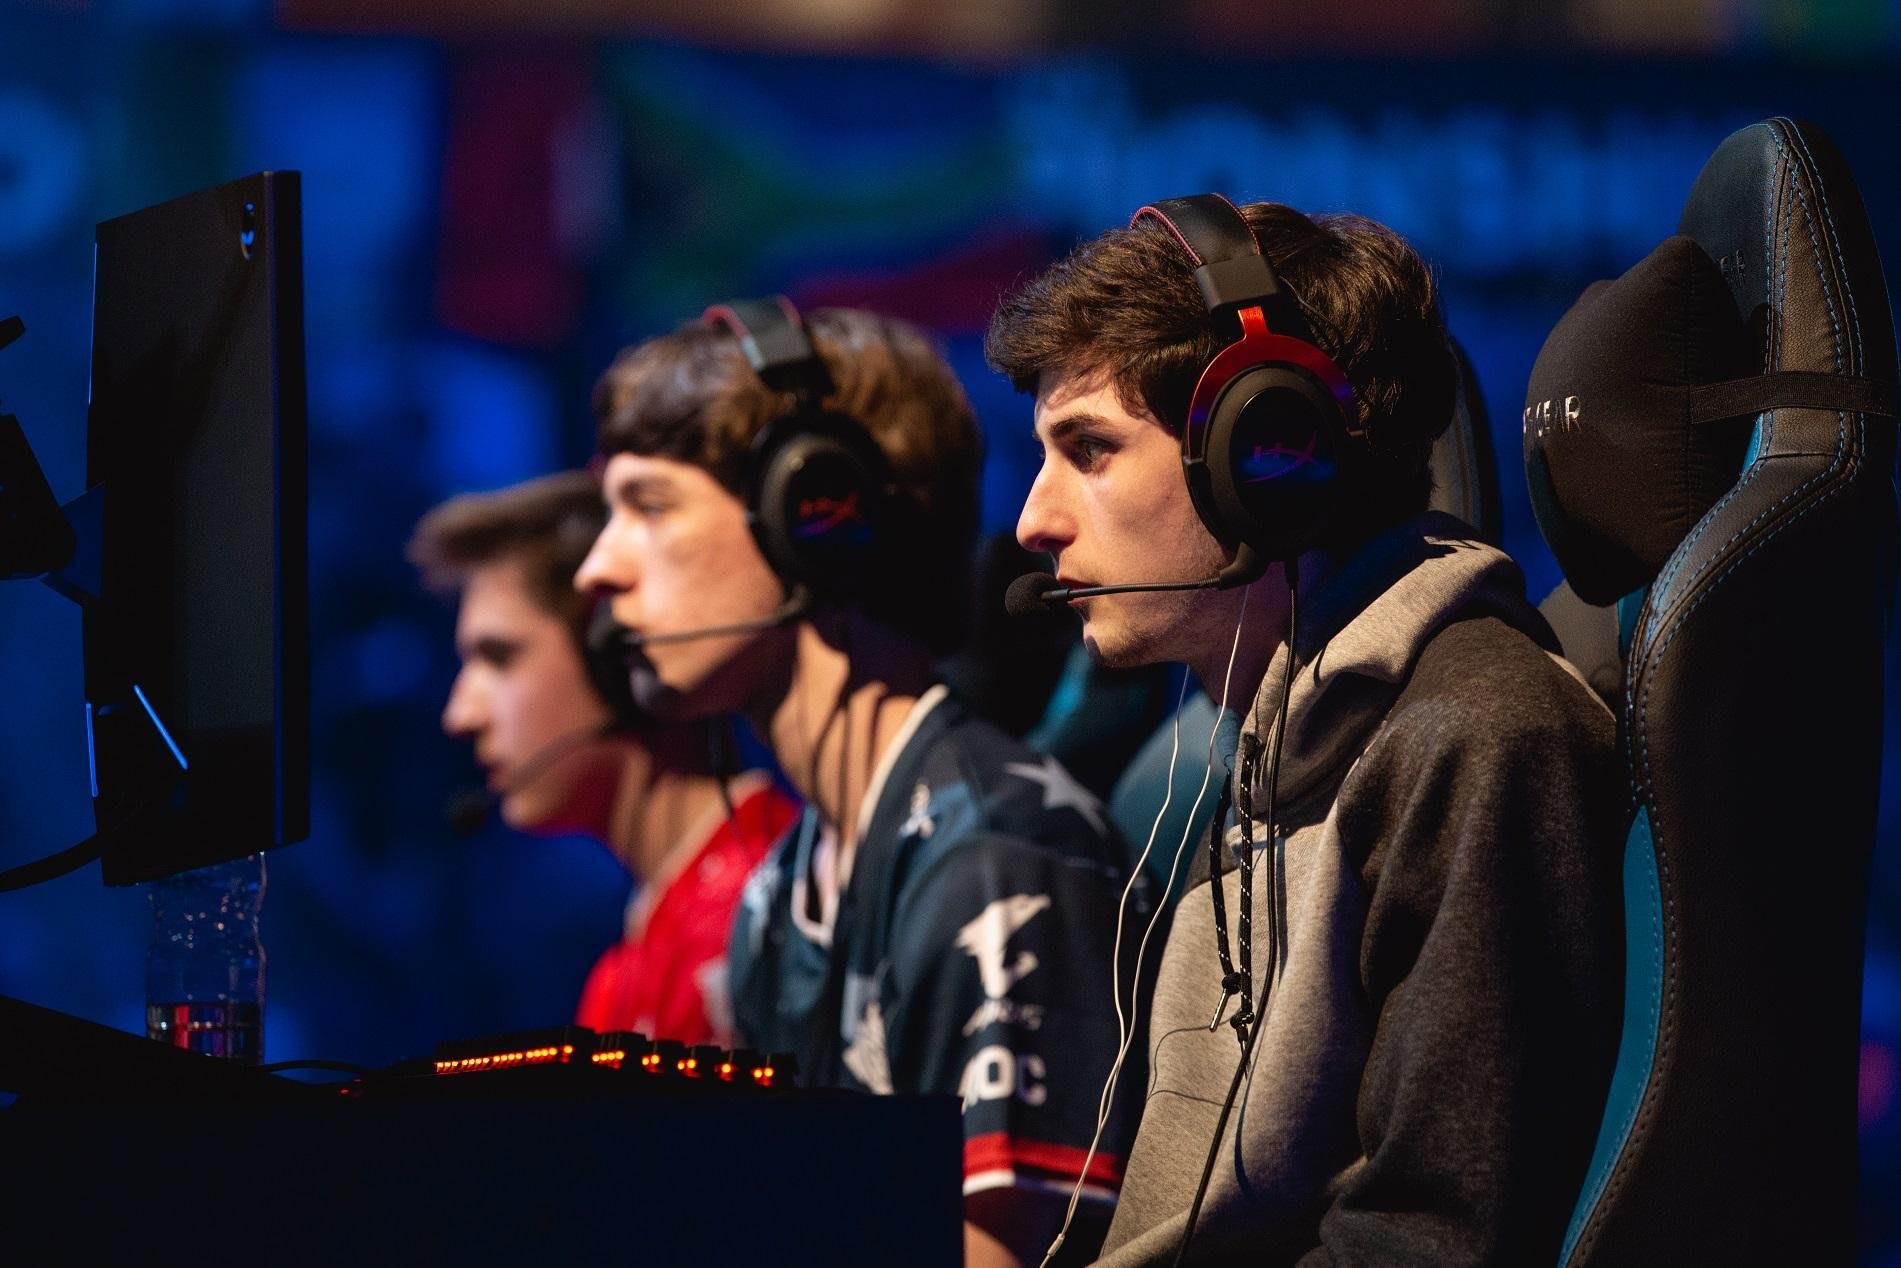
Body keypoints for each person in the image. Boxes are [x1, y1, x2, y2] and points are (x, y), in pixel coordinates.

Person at [989, 195, 1624, 1264]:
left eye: (1088, 449)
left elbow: (1428, 1241)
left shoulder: (1475, 734)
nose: (1032, 521)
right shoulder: (1258, 745)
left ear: (1266, 453)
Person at [575, 300, 1142, 1266]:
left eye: (650, 506)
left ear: (814, 511)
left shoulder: (995, 861)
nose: (597, 570)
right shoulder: (778, 897)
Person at [410, 470, 797, 1045]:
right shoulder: (636, 964)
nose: (459, 714)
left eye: (500, 657)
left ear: (618, 654)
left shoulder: (757, 930)